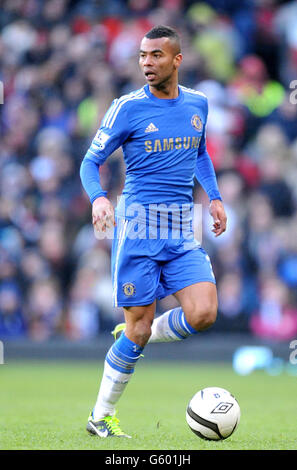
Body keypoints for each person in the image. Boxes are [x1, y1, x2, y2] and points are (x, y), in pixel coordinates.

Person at [80, 25, 227, 438]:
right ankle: (100, 417)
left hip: (182, 226)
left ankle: (133, 332)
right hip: (138, 226)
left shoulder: (198, 103)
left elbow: (199, 151)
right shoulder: (126, 108)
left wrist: (213, 197)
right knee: (139, 330)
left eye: (156, 56)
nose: (147, 62)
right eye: (143, 56)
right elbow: (89, 163)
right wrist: (98, 198)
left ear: (176, 60)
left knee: (204, 313)